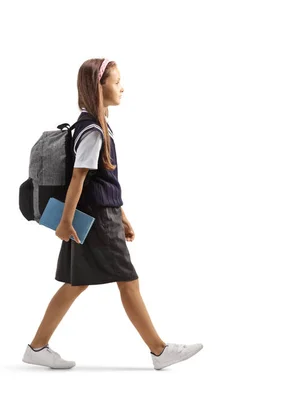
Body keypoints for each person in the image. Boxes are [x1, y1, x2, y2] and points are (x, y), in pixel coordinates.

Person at [21, 58, 203, 371]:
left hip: (96, 215)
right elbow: (79, 178)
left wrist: (123, 216)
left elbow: (102, 182)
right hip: (96, 221)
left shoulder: (93, 125)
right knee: (128, 280)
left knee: (76, 284)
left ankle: (37, 347)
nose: (122, 88)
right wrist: (66, 222)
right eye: (117, 82)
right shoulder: (92, 131)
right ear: (99, 86)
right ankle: (159, 351)